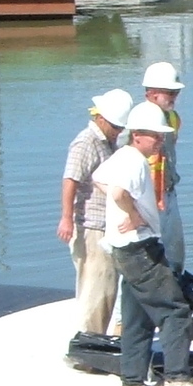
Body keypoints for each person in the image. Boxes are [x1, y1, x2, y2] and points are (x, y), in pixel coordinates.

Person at [92, 102, 193, 386]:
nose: (159, 141)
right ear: (138, 135)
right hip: (140, 248)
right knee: (175, 311)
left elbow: (99, 179)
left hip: (123, 252)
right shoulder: (134, 162)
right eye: (155, 136)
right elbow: (117, 192)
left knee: (137, 316)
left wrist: (125, 210)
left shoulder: (121, 157)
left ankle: (132, 381)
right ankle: (177, 380)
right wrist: (133, 214)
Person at [57, 88, 133, 336]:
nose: (118, 131)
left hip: (105, 226)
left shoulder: (109, 142)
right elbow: (71, 180)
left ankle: (97, 341)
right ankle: (88, 346)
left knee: (107, 290)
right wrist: (67, 218)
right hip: (91, 226)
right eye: (115, 126)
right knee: (95, 291)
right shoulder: (86, 142)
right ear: (101, 118)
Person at [140, 61, 186, 271]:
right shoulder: (139, 121)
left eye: (175, 92)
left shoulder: (172, 118)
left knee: (175, 253)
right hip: (146, 198)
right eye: (170, 92)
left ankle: (175, 293)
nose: (174, 97)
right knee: (147, 257)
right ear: (151, 92)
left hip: (167, 193)